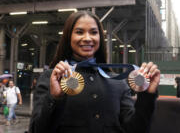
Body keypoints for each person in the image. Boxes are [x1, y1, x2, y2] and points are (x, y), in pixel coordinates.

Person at [29, 11, 160, 133]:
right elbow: (36, 130)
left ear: (100, 38)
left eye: (93, 32)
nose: (87, 38)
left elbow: (136, 129)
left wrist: (147, 95)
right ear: (69, 37)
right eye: (79, 32)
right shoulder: (52, 79)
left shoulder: (118, 83)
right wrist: (54, 98)